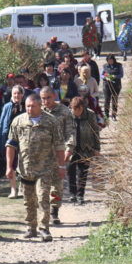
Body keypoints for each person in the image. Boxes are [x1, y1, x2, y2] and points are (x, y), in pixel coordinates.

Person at [6, 93, 65, 242]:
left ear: (40, 106)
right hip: (25, 169)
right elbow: (11, 145)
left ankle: (44, 228)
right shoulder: (18, 121)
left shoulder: (51, 122)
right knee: (28, 200)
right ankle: (31, 227)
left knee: (43, 197)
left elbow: (59, 144)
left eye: (32, 106)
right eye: (27, 106)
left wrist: (62, 165)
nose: (29, 109)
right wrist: (9, 167)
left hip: (45, 168)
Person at [40, 87, 75, 226]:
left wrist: (69, 149)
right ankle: (44, 211)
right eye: (43, 98)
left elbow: (71, 132)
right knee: (41, 185)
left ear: (54, 96)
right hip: (41, 154)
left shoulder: (64, 111)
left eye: (48, 98)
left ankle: (54, 210)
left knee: (57, 185)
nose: (46, 101)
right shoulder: (39, 111)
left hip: (58, 153)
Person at [68, 96, 101, 203]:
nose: (75, 112)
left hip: (86, 148)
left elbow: (95, 131)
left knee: (83, 172)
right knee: (70, 171)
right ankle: (72, 194)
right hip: (71, 148)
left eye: (77, 109)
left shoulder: (90, 114)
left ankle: (80, 195)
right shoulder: (68, 115)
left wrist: (96, 148)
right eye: (73, 109)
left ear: (82, 107)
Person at [0, 85, 25, 199]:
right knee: (11, 164)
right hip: (9, 139)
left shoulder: (26, 106)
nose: (17, 95)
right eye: (14, 93)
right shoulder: (7, 106)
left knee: (23, 164)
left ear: (22, 94)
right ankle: (13, 189)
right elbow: (2, 124)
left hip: (24, 139)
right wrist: (0, 142)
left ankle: (22, 188)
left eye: (19, 93)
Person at [101, 54, 123, 120]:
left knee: (114, 100)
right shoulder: (105, 66)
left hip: (116, 85)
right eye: (108, 60)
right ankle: (106, 113)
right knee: (107, 99)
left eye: (111, 60)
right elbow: (101, 75)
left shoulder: (119, 65)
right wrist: (106, 77)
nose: (110, 61)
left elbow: (121, 74)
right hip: (107, 85)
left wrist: (115, 76)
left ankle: (114, 114)